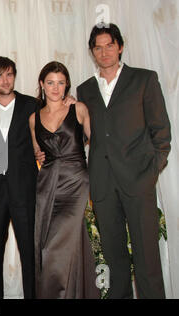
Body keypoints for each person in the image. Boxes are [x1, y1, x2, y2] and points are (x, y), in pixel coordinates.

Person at [76, 23, 171, 299]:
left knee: (147, 259)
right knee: (114, 258)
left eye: (109, 45)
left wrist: (151, 172)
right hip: (103, 185)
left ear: (119, 46)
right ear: (92, 52)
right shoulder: (86, 89)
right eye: (98, 47)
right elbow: (83, 135)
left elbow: (161, 133)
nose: (104, 52)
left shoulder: (144, 79)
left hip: (138, 181)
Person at [29, 61, 99, 299]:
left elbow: (96, 144)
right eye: (50, 82)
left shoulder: (78, 109)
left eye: (60, 83)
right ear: (42, 84)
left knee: (58, 247)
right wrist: (39, 156)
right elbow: (39, 153)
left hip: (76, 182)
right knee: (47, 244)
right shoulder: (33, 118)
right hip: (47, 184)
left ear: (66, 84)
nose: (55, 88)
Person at [0, 56, 39, 299]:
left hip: (24, 189)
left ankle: (33, 294)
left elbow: (55, 121)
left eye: (9, 74)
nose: (5, 80)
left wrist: (70, 101)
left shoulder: (32, 105)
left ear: (14, 75)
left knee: (29, 250)